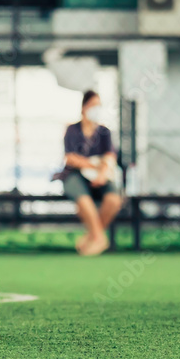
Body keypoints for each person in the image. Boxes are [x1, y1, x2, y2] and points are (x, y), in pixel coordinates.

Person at [56, 90, 123, 256]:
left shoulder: (104, 132)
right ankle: (100, 238)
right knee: (84, 201)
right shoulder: (72, 130)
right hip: (75, 174)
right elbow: (71, 158)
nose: (96, 109)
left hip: (101, 175)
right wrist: (92, 165)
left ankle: (90, 237)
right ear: (84, 108)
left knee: (114, 200)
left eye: (98, 106)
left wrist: (102, 173)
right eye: (93, 105)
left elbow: (109, 156)